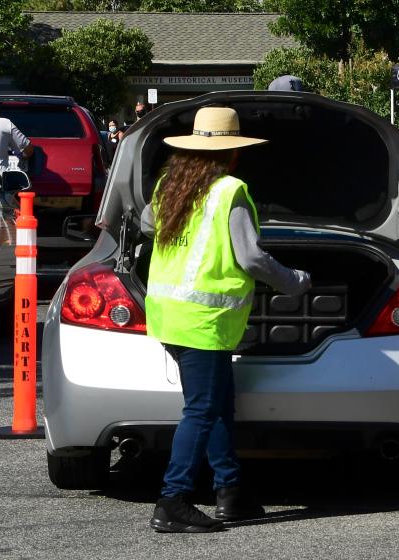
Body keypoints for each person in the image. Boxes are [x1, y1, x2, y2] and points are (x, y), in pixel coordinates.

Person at [141, 107, 311, 533]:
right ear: (233, 152)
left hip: (170, 314)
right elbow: (251, 257)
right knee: (201, 410)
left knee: (217, 405)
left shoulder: (169, 185)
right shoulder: (229, 190)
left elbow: (147, 226)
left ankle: (231, 492)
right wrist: (294, 282)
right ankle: (172, 499)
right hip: (205, 319)